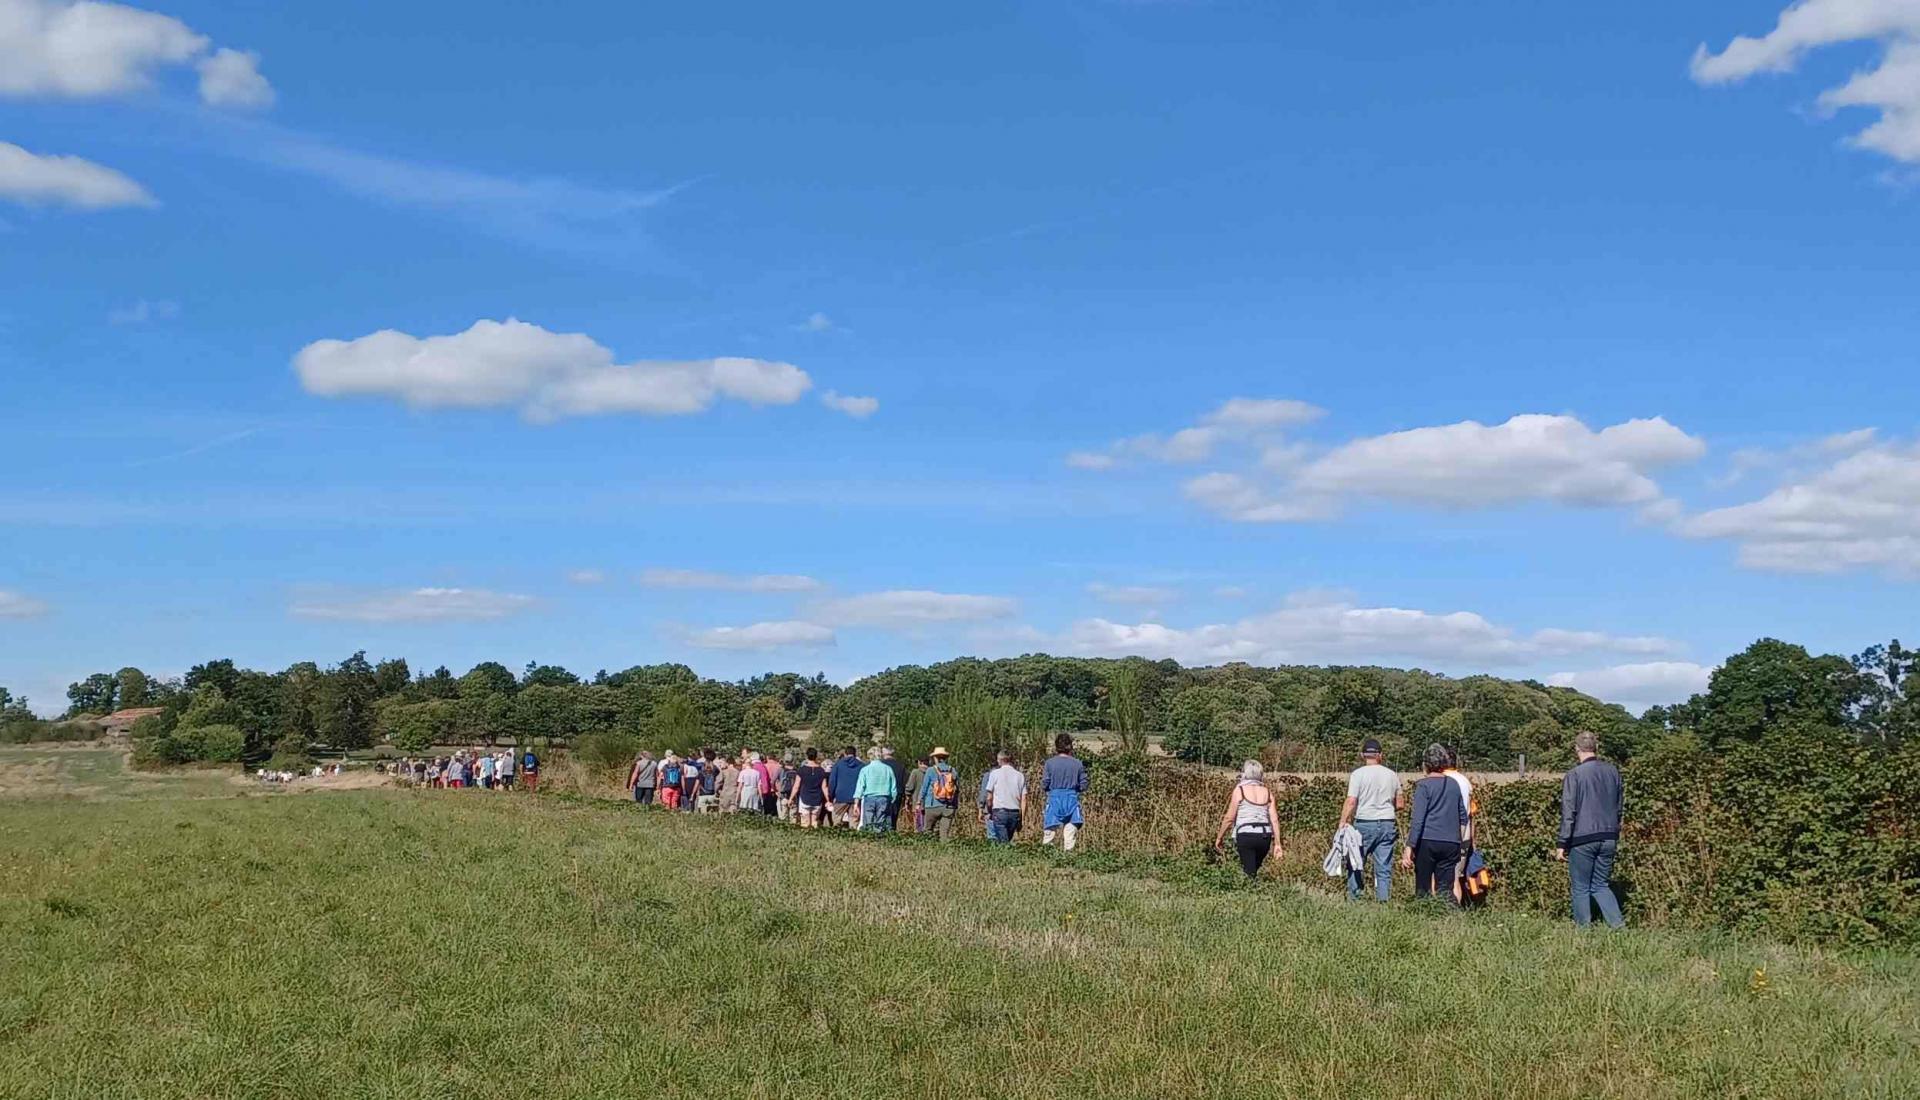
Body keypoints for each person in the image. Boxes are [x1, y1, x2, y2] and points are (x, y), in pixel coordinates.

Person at [1555, 730, 1626, 929]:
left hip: (1583, 837)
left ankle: (1583, 930)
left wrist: (1562, 843)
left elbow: (1569, 811)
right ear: (1596, 748)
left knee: (1580, 887)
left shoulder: (1575, 774)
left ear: (1576, 749)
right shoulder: (1613, 771)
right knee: (1601, 884)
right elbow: (1619, 806)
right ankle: (1618, 926)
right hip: (1609, 835)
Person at [1401, 743, 1469, 903]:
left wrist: (1409, 846)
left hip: (1427, 841)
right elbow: (1463, 817)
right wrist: (1459, 841)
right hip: (1451, 842)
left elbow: (1418, 820)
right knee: (1446, 887)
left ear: (1425, 764)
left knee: (1423, 887)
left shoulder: (1423, 786)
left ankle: (1423, 915)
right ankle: (1448, 917)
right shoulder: (1454, 784)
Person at [1338, 738, 1402, 902]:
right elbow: (1400, 804)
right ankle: (1383, 901)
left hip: (1364, 823)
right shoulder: (1392, 775)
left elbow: (1351, 801)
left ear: (1362, 755)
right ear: (1380, 755)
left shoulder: (1358, 774)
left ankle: (1356, 900)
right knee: (1383, 867)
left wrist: (1343, 821)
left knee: (1356, 862)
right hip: (1387, 823)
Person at [1213, 760, 1282, 878]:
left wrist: (1219, 837)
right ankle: (1255, 890)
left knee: (1249, 872)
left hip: (1246, 835)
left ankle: (1250, 892)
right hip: (1264, 837)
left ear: (1244, 773)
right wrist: (1277, 844)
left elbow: (1229, 818)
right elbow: (1274, 820)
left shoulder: (1239, 791)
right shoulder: (1268, 792)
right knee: (1254, 869)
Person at [1040, 734, 1088, 851]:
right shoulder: (1078, 763)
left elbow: (1045, 783)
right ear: (1070, 746)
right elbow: (1084, 784)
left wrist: (1047, 789)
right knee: (1070, 830)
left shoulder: (1050, 763)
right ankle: (1068, 854)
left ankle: (1047, 853)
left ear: (1056, 747)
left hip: (1054, 797)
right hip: (1071, 798)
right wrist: (1076, 789)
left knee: (1049, 830)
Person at [1442, 747, 1476, 903]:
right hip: (1464, 835)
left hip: (1441, 833)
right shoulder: (1465, 781)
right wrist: (1473, 839)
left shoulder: (1438, 778)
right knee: (1455, 877)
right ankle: (1456, 910)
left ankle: (1437, 911)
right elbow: (1471, 813)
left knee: (1437, 877)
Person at [980, 751, 1027, 843]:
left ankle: (1003, 856)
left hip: (999, 811)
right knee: (1007, 839)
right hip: (1014, 812)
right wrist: (1022, 818)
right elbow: (1024, 799)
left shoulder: (994, 774)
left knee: (1003, 842)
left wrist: (989, 809)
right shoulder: (1020, 776)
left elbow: (989, 797)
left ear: (999, 760)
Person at [917, 747, 960, 840]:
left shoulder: (930, 770)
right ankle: (945, 851)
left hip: (932, 805)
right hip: (949, 806)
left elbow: (924, 788)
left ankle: (928, 851)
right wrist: (955, 805)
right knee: (944, 834)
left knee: (927, 830)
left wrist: (919, 802)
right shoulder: (953, 770)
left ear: (935, 758)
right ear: (946, 758)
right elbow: (957, 789)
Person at [853, 747, 897, 834]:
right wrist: (892, 799)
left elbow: (860, 787)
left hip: (869, 798)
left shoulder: (865, 770)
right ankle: (880, 837)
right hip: (884, 797)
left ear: (869, 756)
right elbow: (893, 787)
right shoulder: (888, 769)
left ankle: (870, 838)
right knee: (881, 821)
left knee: (868, 821)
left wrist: (856, 802)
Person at [827, 746, 863, 827]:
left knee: (836, 819)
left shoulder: (838, 764)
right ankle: (852, 837)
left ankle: (836, 836)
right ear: (855, 754)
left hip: (840, 796)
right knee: (854, 821)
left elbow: (832, 781)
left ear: (845, 754)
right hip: (855, 798)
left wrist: (830, 796)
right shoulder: (861, 766)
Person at [794, 748, 829, 828]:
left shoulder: (801, 770)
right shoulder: (821, 770)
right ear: (816, 756)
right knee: (814, 822)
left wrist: (791, 798)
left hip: (804, 799)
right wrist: (828, 799)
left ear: (807, 756)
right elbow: (824, 787)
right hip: (817, 799)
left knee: (805, 823)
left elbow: (796, 786)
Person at [882, 747, 909, 830]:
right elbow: (905, 781)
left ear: (883, 754)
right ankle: (892, 831)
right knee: (894, 816)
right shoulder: (901, 766)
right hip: (898, 793)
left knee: (882, 815)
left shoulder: (881, 765)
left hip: (883, 792)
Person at [904, 756, 929, 834]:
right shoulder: (932, 771)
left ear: (919, 762)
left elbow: (910, 787)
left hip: (917, 802)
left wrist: (907, 797)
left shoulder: (915, 772)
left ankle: (919, 836)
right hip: (930, 803)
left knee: (918, 823)